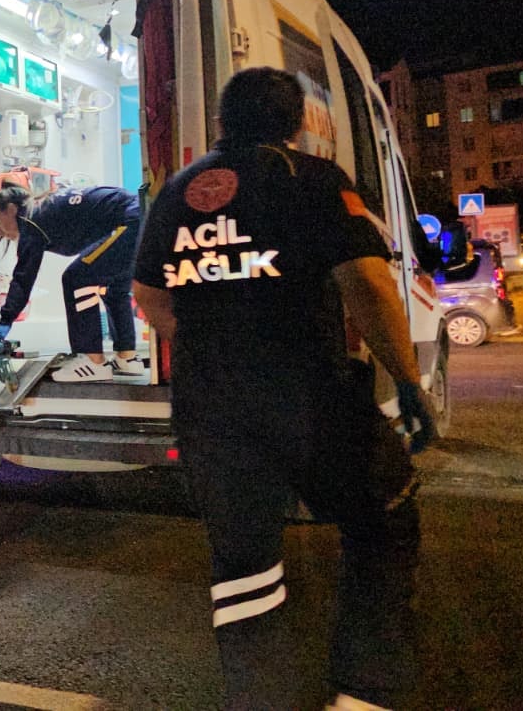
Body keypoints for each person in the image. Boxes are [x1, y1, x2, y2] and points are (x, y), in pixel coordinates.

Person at [131, 67, 437, 709]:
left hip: (210, 410)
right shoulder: (313, 178)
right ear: (298, 124)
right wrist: (408, 381)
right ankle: (364, 690)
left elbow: (148, 295)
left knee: (244, 567)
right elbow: (367, 283)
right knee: (383, 520)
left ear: (222, 123)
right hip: (307, 395)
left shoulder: (178, 191)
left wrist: (208, 343)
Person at [0, 183, 143, 382]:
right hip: (138, 215)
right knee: (113, 288)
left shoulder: (30, 220)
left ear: (11, 209)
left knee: (77, 278)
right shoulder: (42, 208)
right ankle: (127, 358)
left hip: (129, 220)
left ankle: (92, 361)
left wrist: (5, 320)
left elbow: (24, 277)